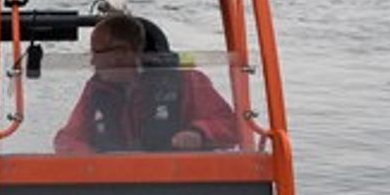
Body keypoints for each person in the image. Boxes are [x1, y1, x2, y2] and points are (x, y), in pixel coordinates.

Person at [52, 13, 245, 153]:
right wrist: (85, 154)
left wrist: (199, 134)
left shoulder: (188, 82)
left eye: (99, 53)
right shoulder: (95, 90)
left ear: (126, 52)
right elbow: (67, 139)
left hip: (178, 186)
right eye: (93, 54)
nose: (94, 62)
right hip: (114, 186)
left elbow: (231, 126)